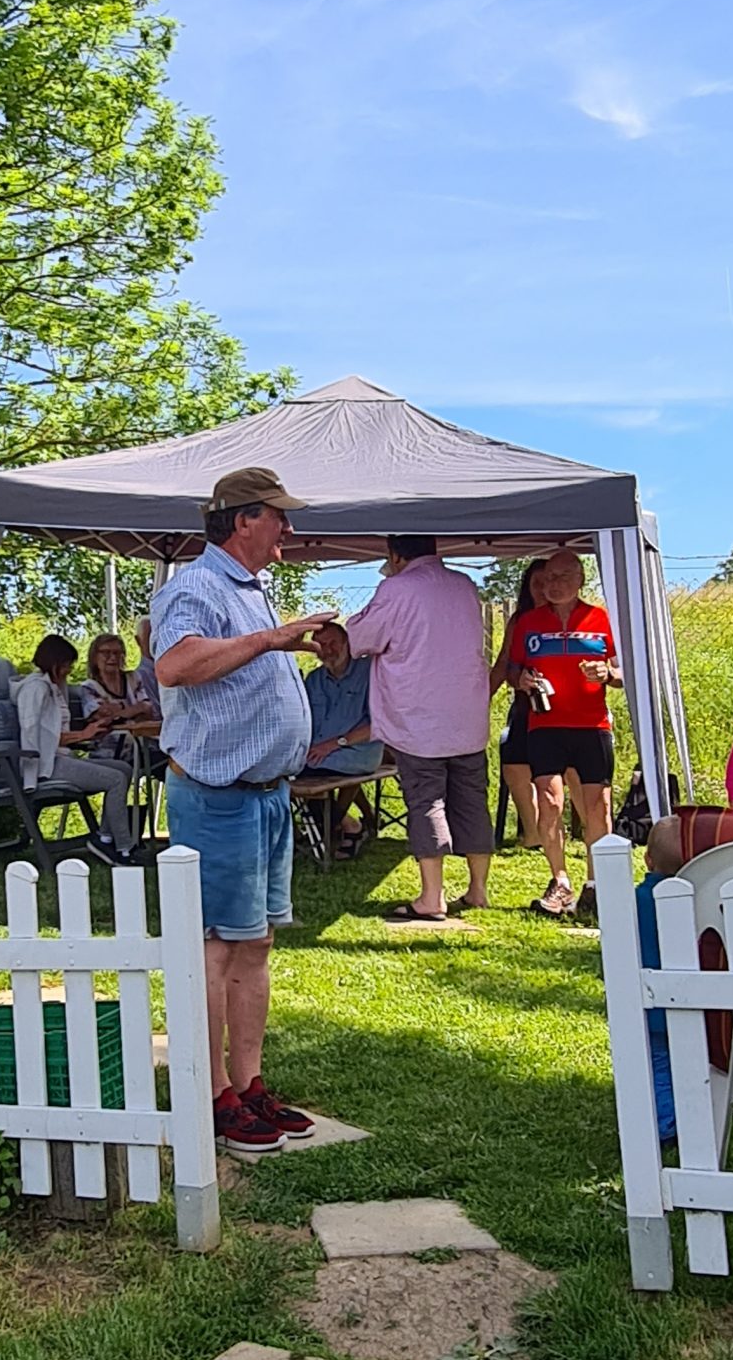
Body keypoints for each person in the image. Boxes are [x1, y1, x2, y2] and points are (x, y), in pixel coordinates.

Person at [152, 465, 335, 1155]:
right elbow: (175, 665)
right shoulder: (195, 586)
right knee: (217, 947)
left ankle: (248, 1085)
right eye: (278, 515)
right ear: (242, 520)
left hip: (264, 796)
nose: (288, 526)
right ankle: (211, 1096)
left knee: (254, 943)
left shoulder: (249, 589)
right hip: (217, 798)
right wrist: (269, 640)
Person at [345, 535, 493, 922]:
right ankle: (478, 890)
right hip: (466, 714)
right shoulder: (464, 585)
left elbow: (361, 638)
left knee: (426, 801)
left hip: (419, 718)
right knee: (472, 800)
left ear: (395, 555)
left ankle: (432, 897)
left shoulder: (396, 589)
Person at [507, 548, 622, 922]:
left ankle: (596, 884)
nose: (554, 585)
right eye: (548, 579)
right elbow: (512, 670)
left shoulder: (602, 618)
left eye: (563, 577)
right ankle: (559, 880)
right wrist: (522, 680)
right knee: (550, 801)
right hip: (545, 726)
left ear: (580, 580)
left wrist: (607, 674)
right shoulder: (528, 622)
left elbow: (624, 673)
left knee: (597, 806)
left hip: (592, 726)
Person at [14, 634, 134, 863]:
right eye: (67, 664)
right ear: (55, 662)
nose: (69, 670)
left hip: (61, 758)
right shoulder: (35, 690)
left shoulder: (53, 688)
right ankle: (123, 849)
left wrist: (91, 732)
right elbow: (35, 738)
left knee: (124, 769)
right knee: (116, 780)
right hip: (46, 766)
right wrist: (83, 735)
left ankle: (104, 838)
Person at [490, 561, 585, 848]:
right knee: (513, 763)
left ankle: (591, 830)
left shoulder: (577, 618)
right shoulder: (520, 621)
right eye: (537, 583)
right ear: (527, 588)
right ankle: (533, 834)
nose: (545, 589)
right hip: (528, 706)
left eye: (550, 581)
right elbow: (504, 665)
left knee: (574, 770)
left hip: (572, 710)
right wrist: (482, 700)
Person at [302, 620, 385, 854]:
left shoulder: (370, 672)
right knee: (285, 769)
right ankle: (348, 825)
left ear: (348, 643)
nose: (328, 650)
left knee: (306, 774)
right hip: (320, 754)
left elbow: (380, 723)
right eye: (321, 645)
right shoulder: (314, 679)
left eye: (333, 643)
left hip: (359, 750)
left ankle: (334, 825)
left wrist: (335, 743)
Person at [634, 813, 682, 1143]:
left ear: (648, 859)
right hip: (696, 1006)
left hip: (650, 1008)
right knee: (693, 1063)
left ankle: (666, 1124)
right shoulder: (697, 898)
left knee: (660, 1067)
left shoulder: (636, 900)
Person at [130, 616, 161, 717]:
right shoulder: (141, 675)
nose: (153, 641)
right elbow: (156, 714)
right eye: (149, 636)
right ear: (138, 641)